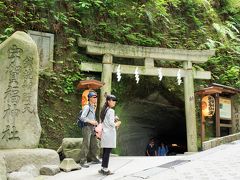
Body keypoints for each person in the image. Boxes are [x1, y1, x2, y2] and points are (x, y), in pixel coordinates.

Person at [98, 95, 121, 175]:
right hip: (110, 134)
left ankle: (102, 168)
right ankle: (105, 169)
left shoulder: (104, 110)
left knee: (105, 151)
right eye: (113, 101)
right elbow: (111, 123)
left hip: (105, 133)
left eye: (115, 101)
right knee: (107, 152)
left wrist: (114, 118)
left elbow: (105, 120)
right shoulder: (111, 110)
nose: (114, 102)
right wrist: (117, 123)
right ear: (108, 101)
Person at [79, 91, 101, 168]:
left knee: (95, 143)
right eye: (94, 97)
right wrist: (91, 121)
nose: (96, 98)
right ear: (90, 98)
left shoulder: (93, 107)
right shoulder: (87, 107)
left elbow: (91, 117)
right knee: (86, 144)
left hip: (93, 128)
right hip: (87, 127)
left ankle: (95, 158)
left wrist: (95, 122)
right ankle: (82, 161)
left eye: (96, 97)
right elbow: (82, 117)